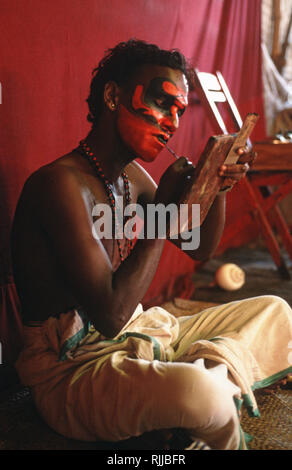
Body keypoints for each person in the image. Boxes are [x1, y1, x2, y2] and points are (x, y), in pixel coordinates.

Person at [11, 39, 292, 450]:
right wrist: (159, 216)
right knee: (203, 395)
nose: (172, 122)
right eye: (162, 103)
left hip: (132, 336)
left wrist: (219, 183)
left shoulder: (132, 178)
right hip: (73, 372)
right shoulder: (60, 185)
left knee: (277, 312)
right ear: (112, 96)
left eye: (179, 111)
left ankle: (200, 386)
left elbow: (198, 248)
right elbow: (110, 315)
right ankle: (210, 386)